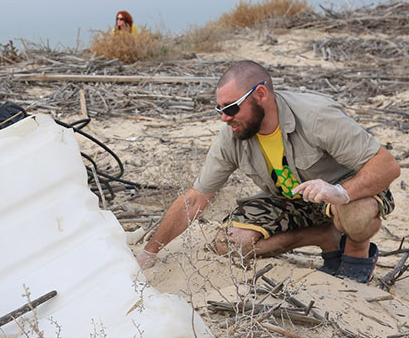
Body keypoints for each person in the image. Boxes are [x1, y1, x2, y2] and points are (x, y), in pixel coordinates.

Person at [136, 60, 400, 284]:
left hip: (343, 193)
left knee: (356, 215)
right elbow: (195, 199)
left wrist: (341, 192)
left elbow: (387, 165)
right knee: (229, 243)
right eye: (220, 110)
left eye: (230, 108)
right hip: (294, 200)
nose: (224, 118)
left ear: (260, 94)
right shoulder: (232, 135)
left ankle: (356, 250)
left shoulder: (316, 116)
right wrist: (149, 253)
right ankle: (324, 236)